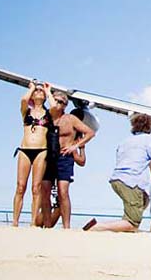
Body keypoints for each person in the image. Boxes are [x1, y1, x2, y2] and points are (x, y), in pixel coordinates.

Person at [84, 113, 151, 232]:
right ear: (150, 126)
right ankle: (97, 227)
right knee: (133, 223)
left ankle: (123, 229)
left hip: (117, 180)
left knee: (143, 201)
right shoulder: (149, 139)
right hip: (131, 181)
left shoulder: (125, 141)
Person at [41, 90, 94, 229]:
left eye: (60, 102)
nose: (57, 104)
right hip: (48, 156)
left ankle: (66, 227)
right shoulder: (47, 118)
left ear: (65, 105)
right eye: (55, 100)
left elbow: (90, 132)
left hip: (65, 157)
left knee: (62, 191)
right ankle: (46, 226)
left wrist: (75, 146)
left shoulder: (70, 119)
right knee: (44, 190)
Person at [13, 81, 58, 226]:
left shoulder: (48, 114)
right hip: (25, 149)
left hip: (41, 150)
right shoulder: (26, 111)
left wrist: (48, 90)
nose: (38, 93)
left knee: (36, 187)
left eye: (41, 92)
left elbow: (55, 107)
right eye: (36, 92)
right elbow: (23, 100)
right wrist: (31, 88)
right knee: (20, 186)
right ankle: (15, 221)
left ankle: (33, 222)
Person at [35, 144, 86, 228]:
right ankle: (47, 226)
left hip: (64, 162)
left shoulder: (71, 140)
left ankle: (65, 227)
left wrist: (80, 148)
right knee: (46, 198)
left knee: (61, 199)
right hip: (49, 159)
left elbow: (81, 161)